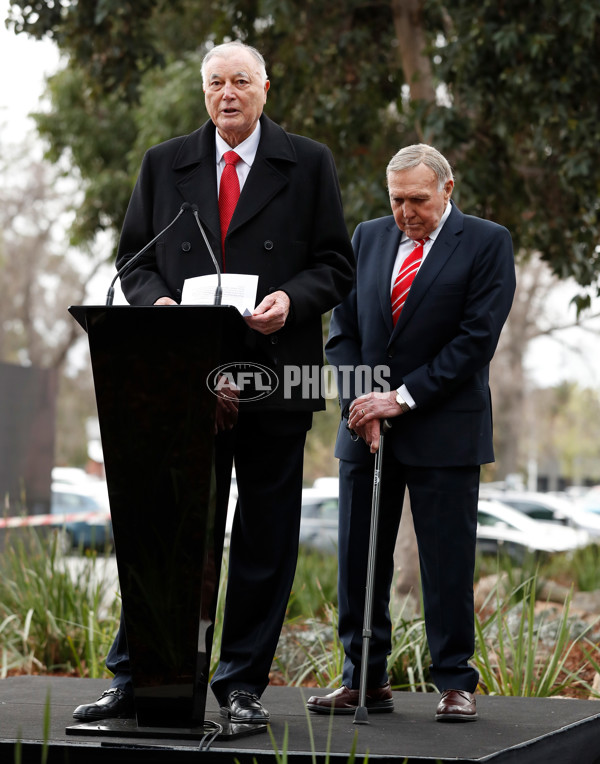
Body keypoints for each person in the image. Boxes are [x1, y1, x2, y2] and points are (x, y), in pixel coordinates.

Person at [73, 40, 354, 725]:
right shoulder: (164, 163)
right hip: (184, 377)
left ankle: (241, 688)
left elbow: (336, 266)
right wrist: (164, 312)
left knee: (264, 537)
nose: (226, 94)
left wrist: (292, 299)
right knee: (167, 532)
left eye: (239, 82)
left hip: (273, 371)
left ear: (264, 89)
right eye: (214, 83)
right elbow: (133, 265)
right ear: (205, 93)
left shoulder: (308, 162)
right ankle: (141, 677)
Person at [307, 144, 515, 722]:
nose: (406, 212)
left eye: (418, 200)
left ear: (449, 189)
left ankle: (454, 681)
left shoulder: (487, 242)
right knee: (358, 560)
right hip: (365, 431)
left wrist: (399, 398)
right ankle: (363, 679)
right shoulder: (368, 237)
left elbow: (477, 339)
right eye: (397, 200)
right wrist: (363, 404)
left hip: (444, 430)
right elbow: (343, 332)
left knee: (447, 563)